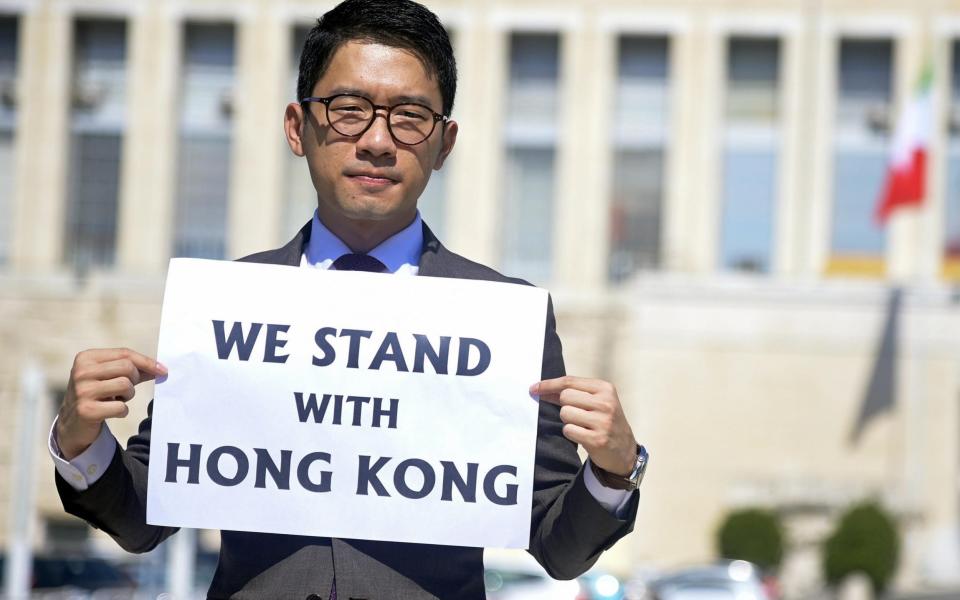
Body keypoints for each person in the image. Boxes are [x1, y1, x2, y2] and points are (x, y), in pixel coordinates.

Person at [51, 1, 646, 598]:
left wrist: (614, 470)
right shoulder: (229, 305)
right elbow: (144, 516)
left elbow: (559, 548)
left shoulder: (502, 320)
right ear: (297, 126)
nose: (378, 141)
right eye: (349, 110)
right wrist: (81, 439)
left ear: (444, 144)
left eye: (410, 116)